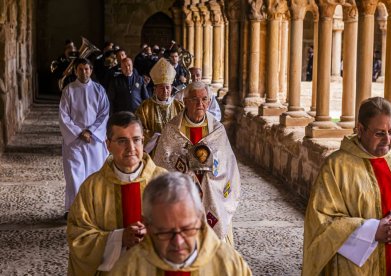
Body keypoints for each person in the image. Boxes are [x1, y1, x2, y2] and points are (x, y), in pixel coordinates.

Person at [303, 97, 391, 275]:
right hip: (356, 268)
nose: (388, 140)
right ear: (360, 130)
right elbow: (321, 221)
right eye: (380, 133)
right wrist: (371, 231)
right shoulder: (336, 166)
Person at [67, 111, 167, 276]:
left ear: (143, 141)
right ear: (108, 144)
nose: (131, 148)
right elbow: (78, 236)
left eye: (136, 140)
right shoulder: (92, 187)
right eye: (122, 141)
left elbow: (186, 229)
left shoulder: (165, 182)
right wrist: (119, 239)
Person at [109, 172, 252, 275]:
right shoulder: (128, 269)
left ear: (200, 219)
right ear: (148, 225)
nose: (178, 242)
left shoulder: (229, 266)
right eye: (165, 231)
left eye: (187, 229)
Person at [153, 81, 240, 245]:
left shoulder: (217, 130)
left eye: (204, 99)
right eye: (194, 99)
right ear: (185, 102)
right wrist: (186, 170)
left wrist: (209, 168)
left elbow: (227, 166)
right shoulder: (172, 130)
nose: (200, 104)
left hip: (211, 196)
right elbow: (162, 165)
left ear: (209, 102)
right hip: (182, 197)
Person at [59, 58, 109, 217]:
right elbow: (64, 116)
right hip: (75, 141)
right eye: (80, 69)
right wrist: (80, 132)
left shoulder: (99, 90)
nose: (84, 72)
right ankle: (74, 210)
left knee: (95, 175)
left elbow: (104, 114)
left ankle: (94, 209)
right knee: (75, 176)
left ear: (91, 70)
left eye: (86, 69)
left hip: (94, 141)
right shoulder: (69, 90)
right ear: (75, 71)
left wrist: (91, 131)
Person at [135, 58, 184, 154]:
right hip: (153, 152)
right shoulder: (145, 107)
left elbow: (185, 129)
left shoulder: (179, 106)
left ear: (171, 88)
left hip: (174, 151)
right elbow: (138, 129)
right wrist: (156, 137)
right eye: (161, 87)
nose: (165, 91)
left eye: (167, 87)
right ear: (155, 89)